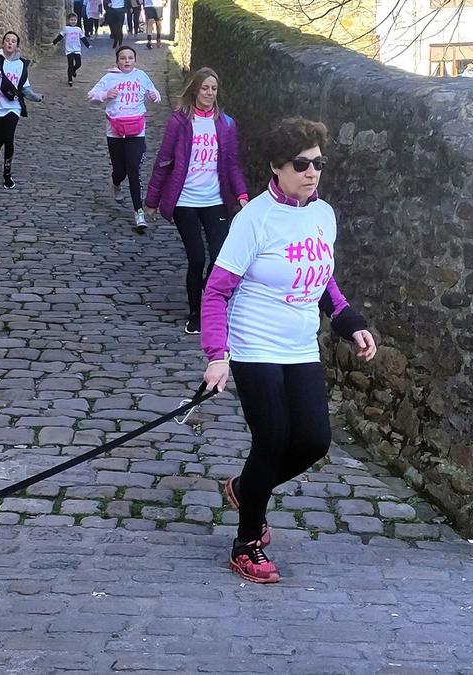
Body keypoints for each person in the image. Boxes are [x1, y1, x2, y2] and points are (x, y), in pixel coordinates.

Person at [200, 117, 377, 584]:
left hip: (299, 346)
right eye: (301, 164)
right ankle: (246, 543)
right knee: (273, 438)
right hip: (255, 344)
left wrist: (349, 324)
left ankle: (245, 488)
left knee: (315, 440)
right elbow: (215, 292)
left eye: (318, 163)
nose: (312, 171)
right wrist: (217, 354)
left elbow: (322, 279)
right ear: (277, 167)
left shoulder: (323, 215)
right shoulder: (254, 219)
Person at [145, 68, 247, 334]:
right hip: (186, 201)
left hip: (215, 200)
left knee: (220, 258)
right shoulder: (179, 121)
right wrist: (152, 200)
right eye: (205, 88)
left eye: (213, 89)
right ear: (195, 89)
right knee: (196, 259)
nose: (209, 93)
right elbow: (164, 161)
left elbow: (232, 164)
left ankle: (210, 299)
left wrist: (242, 195)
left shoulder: (226, 124)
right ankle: (195, 313)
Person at [88, 46, 162, 232]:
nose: (127, 61)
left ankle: (139, 212)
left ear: (135, 60)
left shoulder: (141, 76)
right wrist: (105, 95)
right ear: (117, 61)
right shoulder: (109, 78)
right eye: (123, 58)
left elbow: (155, 93)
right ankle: (115, 183)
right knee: (120, 170)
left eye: (130, 58)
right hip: (115, 131)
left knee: (133, 168)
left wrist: (155, 96)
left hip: (137, 130)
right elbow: (92, 96)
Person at [0, 31, 43, 189]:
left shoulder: (21, 65)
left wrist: (35, 96)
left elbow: (24, 87)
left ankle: (7, 174)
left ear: (17, 46)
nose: (10, 43)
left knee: (9, 139)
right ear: (2, 44)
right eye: (7, 40)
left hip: (13, 106)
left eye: (13, 41)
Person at [53, 13, 91, 86]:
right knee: (70, 65)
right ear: (68, 20)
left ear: (76, 20)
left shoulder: (78, 29)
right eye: (71, 20)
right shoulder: (66, 29)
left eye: (74, 20)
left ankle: (73, 71)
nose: (73, 21)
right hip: (69, 49)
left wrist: (88, 45)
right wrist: (54, 42)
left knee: (78, 64)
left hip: (77, 49)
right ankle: (70, 79)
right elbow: (60, 36)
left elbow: (83, 38)